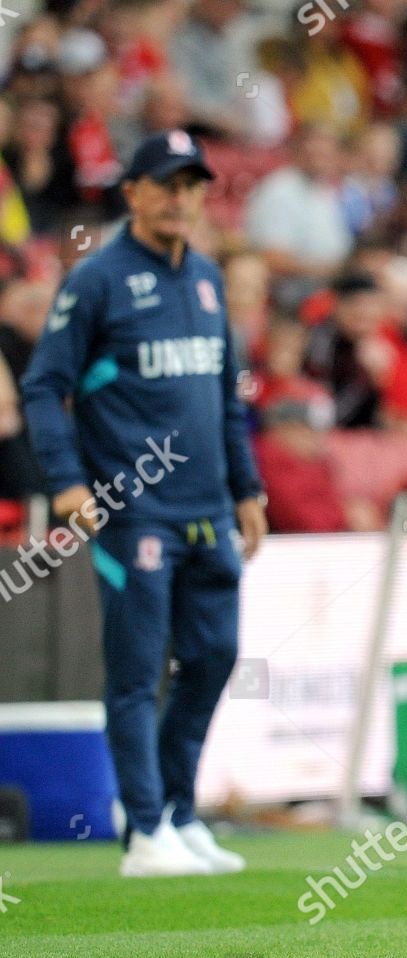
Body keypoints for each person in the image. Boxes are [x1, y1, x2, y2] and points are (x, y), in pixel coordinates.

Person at [21, 129, 266, 876]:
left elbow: (224, 398)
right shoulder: (97, 280)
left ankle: (179, 814)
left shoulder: (206, 279)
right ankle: (144, 829)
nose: (181, 198)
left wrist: (247, 486)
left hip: (208, 510)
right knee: (135, 671)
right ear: (132, 193)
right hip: (134, 511)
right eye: (166, 184)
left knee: (214, 656)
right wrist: (66, 482)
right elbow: (41, 385)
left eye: (193, 186)